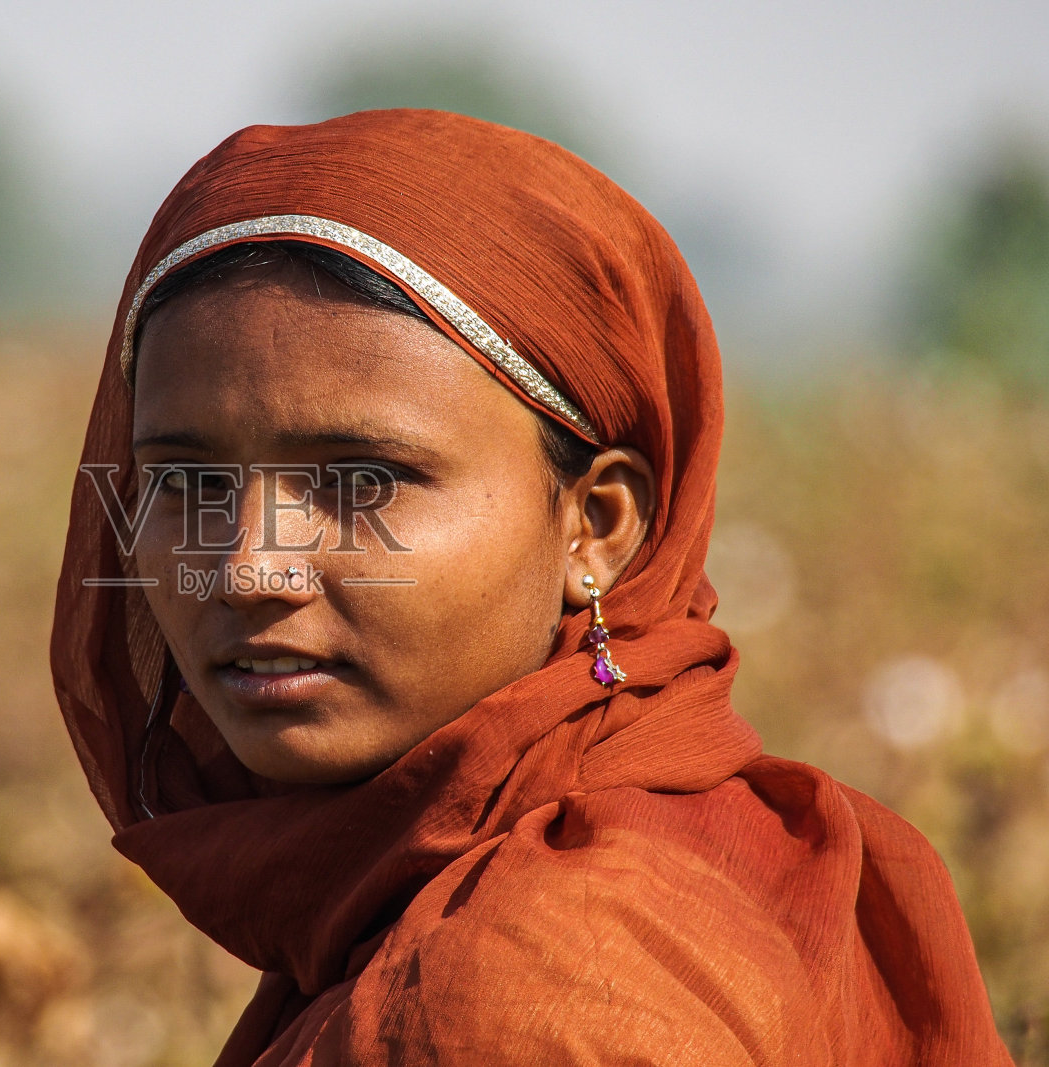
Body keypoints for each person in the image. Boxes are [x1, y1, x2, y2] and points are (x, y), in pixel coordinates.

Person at [50, 109, 1012, 1065]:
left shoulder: (522, 991)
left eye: (364, 483)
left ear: (596, 525)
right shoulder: (662, 854)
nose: (250, 568)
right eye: (188, 484)